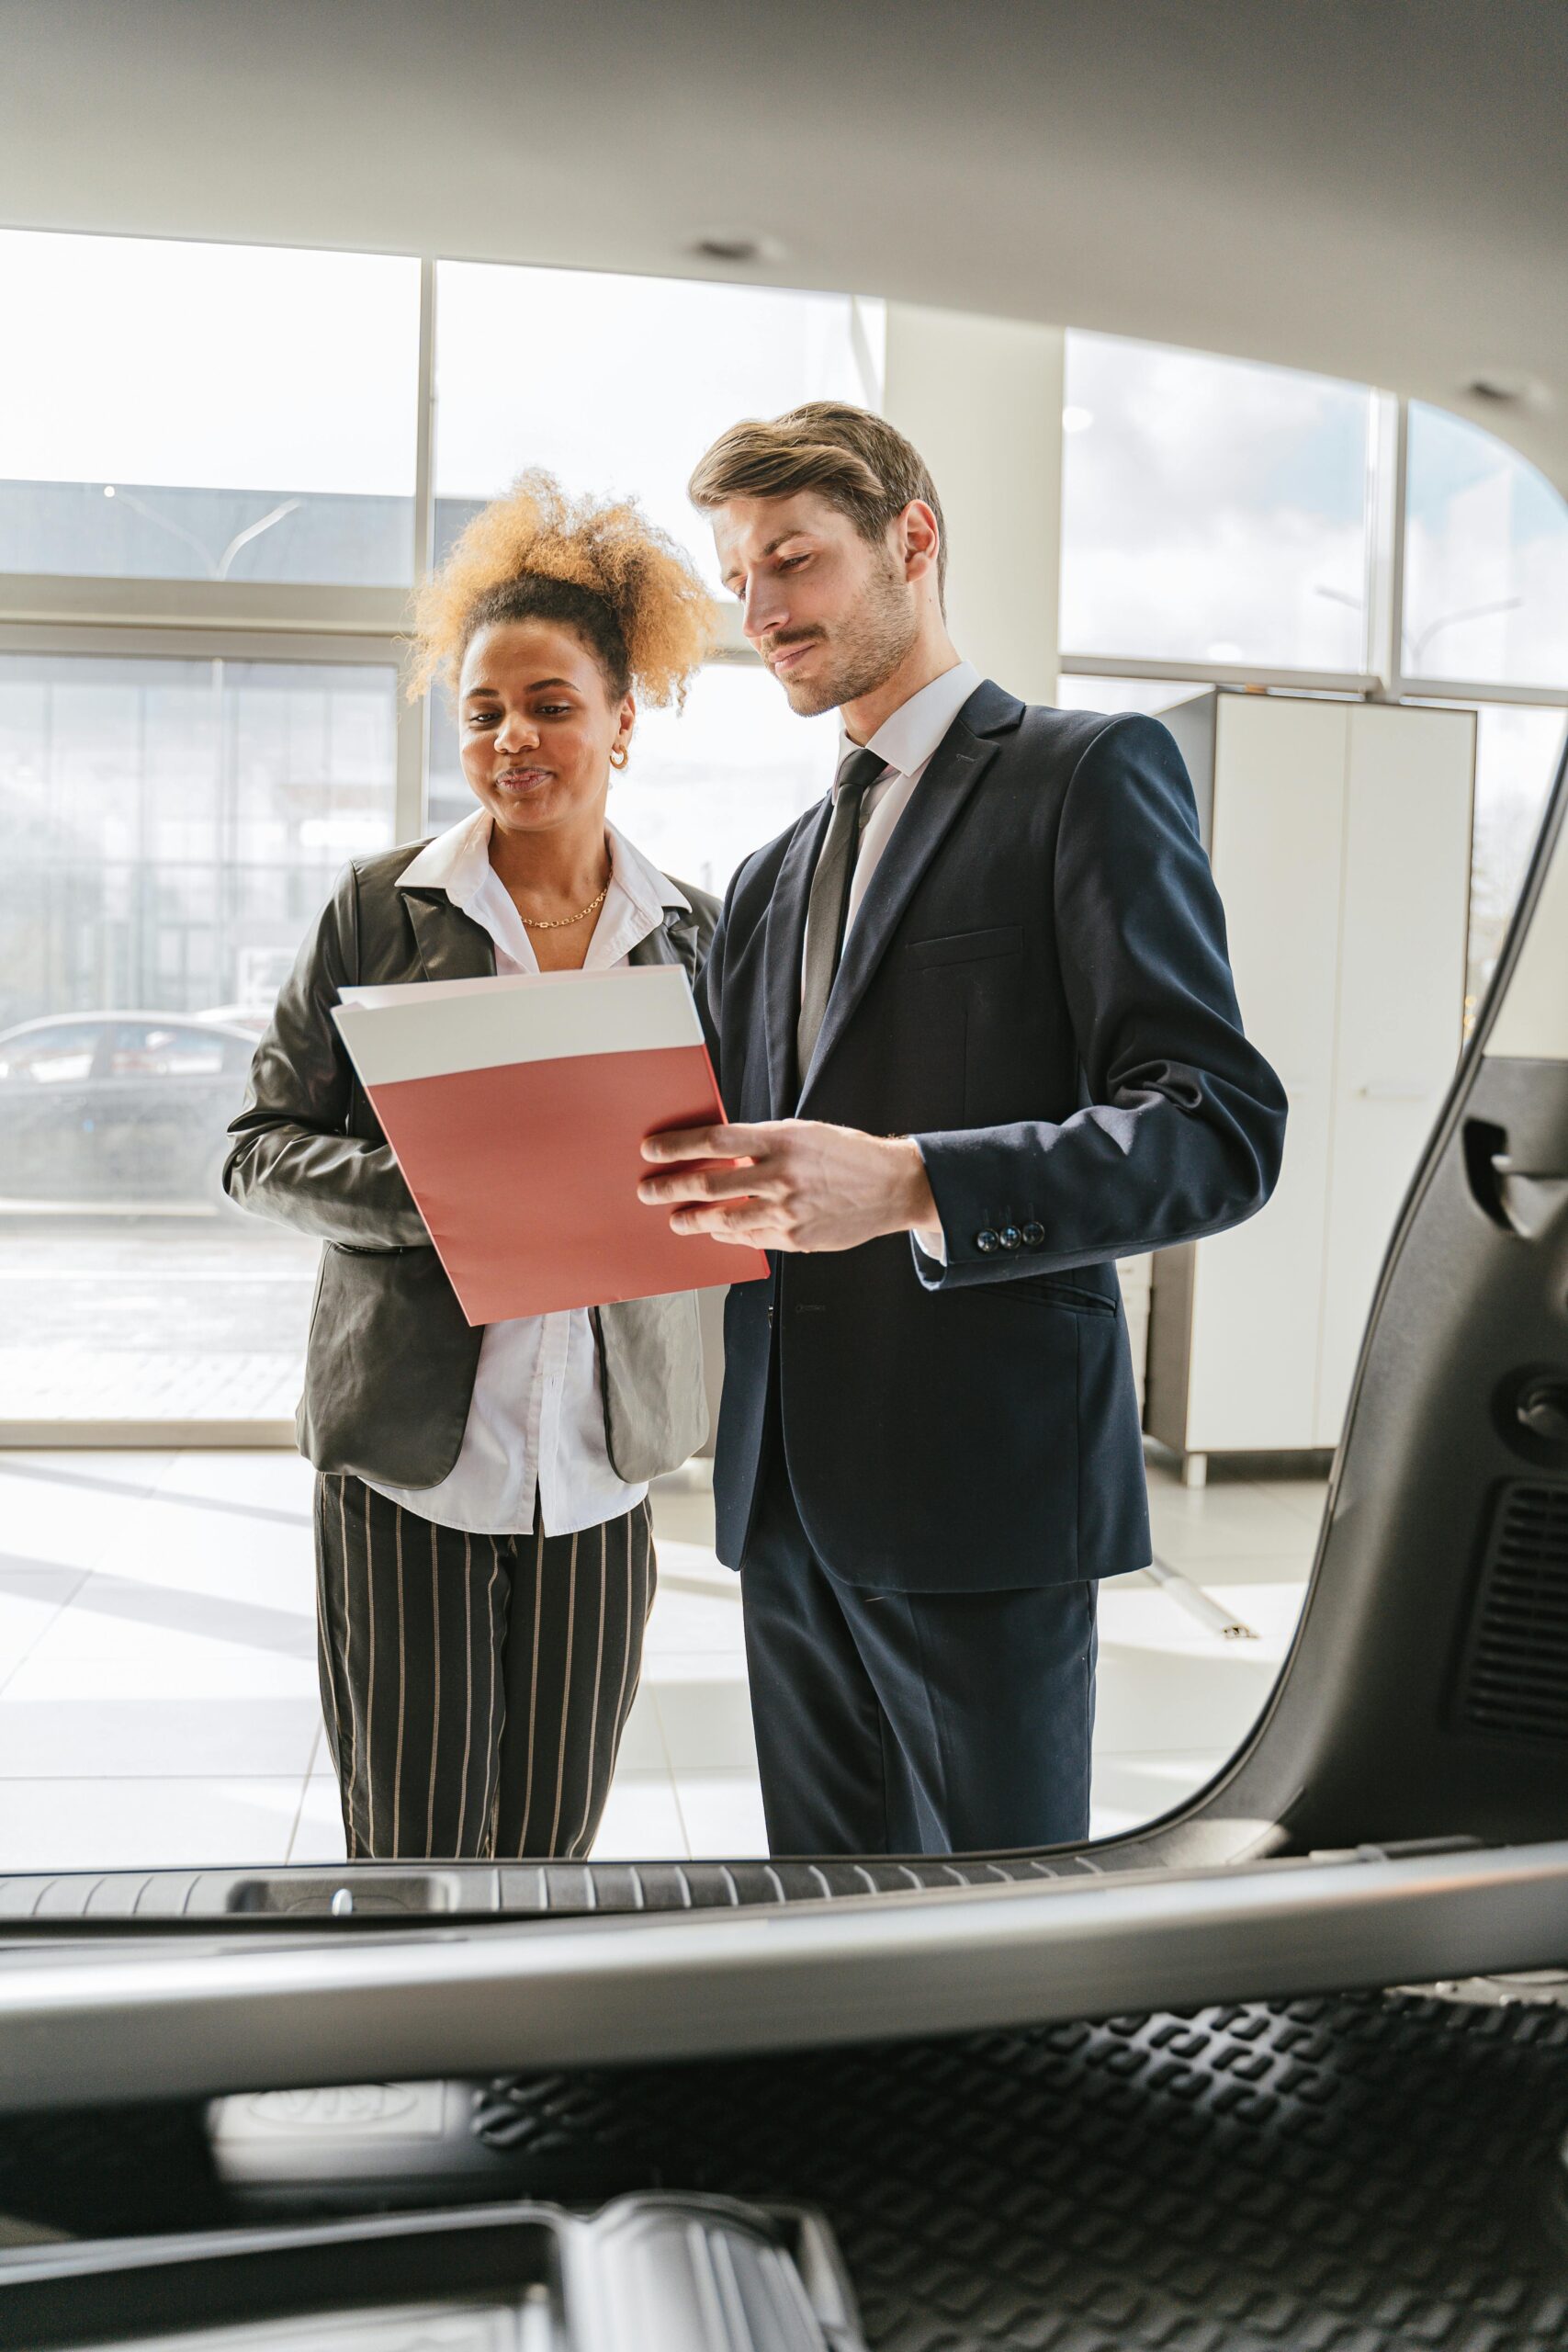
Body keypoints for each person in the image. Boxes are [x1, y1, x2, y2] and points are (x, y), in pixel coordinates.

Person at [639, 402, 1288, 1859]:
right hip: (782, 1493)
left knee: (1003, 1933)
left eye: (793, 562)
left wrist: (922, 1181)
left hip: (981, 1492)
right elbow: (740, 1158)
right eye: (739, 579)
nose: (761, 611)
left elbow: (1217, 1129)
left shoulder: (1085, 775)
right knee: (831, 1928)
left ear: (912, 540)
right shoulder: (767, 875)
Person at [226, 472, 720, 1863]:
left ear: (625, 718)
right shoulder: (380, 912)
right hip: (410, 1465)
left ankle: (527, 2086)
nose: (515, 739)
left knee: (552, 1848)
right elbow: (257, 1150)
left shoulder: (698, 932)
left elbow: (740, 1160)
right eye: (484, 712)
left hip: (602, 1469)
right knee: (416, 1848)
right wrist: (444, 1193)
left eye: (553, 704)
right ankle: (412, 2077)